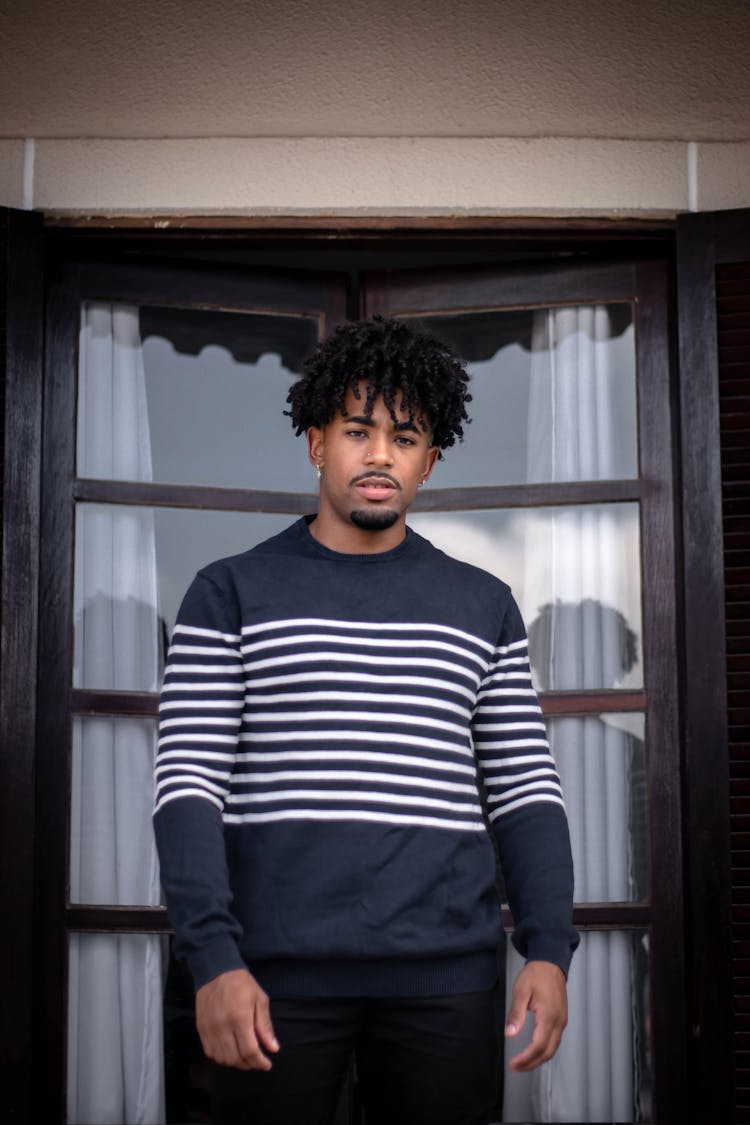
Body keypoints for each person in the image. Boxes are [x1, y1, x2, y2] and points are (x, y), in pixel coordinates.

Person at [153, 316, 578, 1125]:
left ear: (430, 460)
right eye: (357, 430)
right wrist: (211, 958)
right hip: (270, 982)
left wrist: (549, 949)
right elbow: (186, 787)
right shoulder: (228, 592)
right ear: (316, 443)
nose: (380, 454)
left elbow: (525, 790)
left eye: (405, 436)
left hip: (447, 982)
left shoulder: (482, 605)